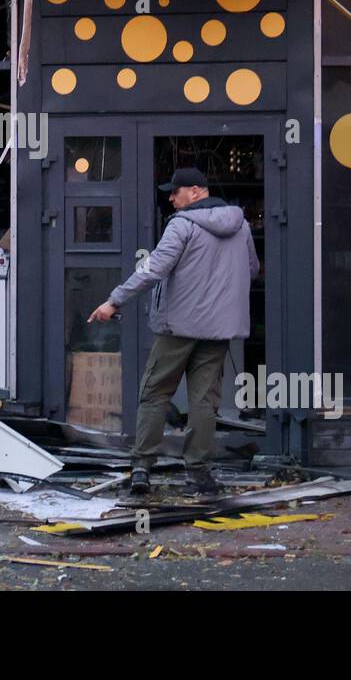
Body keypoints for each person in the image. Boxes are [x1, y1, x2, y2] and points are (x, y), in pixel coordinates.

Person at [88, 167, 259, 499]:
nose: (170, 198)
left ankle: (142, 468)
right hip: (218, 330)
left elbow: (154, 268)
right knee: (204, 401)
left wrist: (114, 300)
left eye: (175, 191)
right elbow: (251, 269)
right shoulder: (242, 226)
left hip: (177, 327)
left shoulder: (182, 225)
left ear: (195, 191)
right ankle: (199, 474)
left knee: (155, 393)